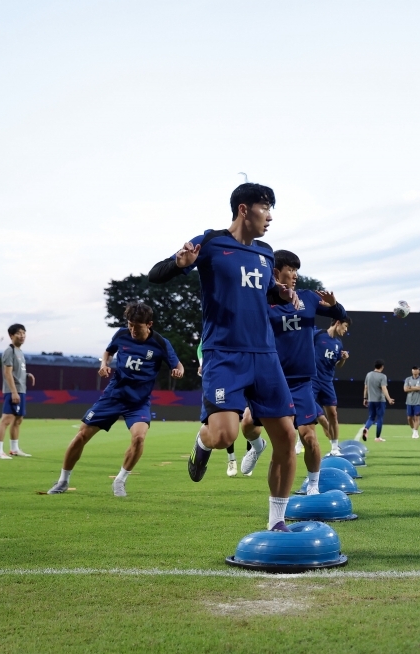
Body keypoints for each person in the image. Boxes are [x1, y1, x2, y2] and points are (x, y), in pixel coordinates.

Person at [148, 182, 299, 532]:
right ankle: (201, 444)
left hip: (264, 356)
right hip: (224, 356)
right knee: (224, 435)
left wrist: (279, 293)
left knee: (286, 439)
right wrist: (178, 262)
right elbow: (156, 276)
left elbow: (262, 295)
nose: (270, 216)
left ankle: (277, 521)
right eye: (265, 208)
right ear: (244, 209)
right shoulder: (212, 242)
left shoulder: (265, 253)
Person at [46, 302, 183, 496]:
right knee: (81, 436)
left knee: (139, 438)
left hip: (138, 402)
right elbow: (109, 351)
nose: (133, 329)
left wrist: (178, 371)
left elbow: (178, 365)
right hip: (113, 396)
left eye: (137, 325)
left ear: (149, 324)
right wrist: (104, 364)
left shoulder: (161, 343)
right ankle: (62, 481)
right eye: (130, 324)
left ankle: (120, 480)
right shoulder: (121, 334)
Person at [238, 251, 346, 498]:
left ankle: (313, 485)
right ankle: (256, 447)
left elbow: (340, 315)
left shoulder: (308, 297)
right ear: (276, 272)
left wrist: (335, 303)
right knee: (246, 425)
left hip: (300, 382)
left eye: (297, 270)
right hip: (270, 380)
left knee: (308, 437)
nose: (295, 275)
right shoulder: (262, 301)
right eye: (291, 270)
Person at [0, 323, 35, 459]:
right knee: (6, 419)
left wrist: (27, 375)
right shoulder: (9, 351)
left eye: (23, 333)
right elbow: (7, 373)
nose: (22, 336)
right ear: (11, 336)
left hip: (21, 389)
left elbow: (17, 371)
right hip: (14, 390)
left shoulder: (19, 351)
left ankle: (14, 449)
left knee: (18, 420)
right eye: (18, 333)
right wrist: (13, 392)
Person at [197, 341, 238, 476]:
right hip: (224, 371)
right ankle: (232, 459)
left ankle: (256, 447)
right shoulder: (217, 324)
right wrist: (203, 362)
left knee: (251, 424)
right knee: (224, 432)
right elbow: (202, 344)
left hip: (252, 362)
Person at [314, 317, 350, 455]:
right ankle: (301, 441)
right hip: (313, 379)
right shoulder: (317, 335)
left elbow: (337, 365)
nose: (346, 330)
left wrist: (343, 360)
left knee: (333, 414)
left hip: (327, 382)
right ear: (337, 323)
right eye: (345, 326)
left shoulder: (338, 344)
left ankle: (335, 448)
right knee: (315, 411)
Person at [361, 360, 395, 442]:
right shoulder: (382, 376)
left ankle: (366, 428)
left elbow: (366, 387)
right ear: (382, 366)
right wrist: (389, 399)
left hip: (371, 400)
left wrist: (365, 398)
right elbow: (384, 388)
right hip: (380, 400)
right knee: (379, 418)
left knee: (371, 417)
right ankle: (377, 437)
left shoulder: (368, 375)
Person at [403, 366, 420, 438]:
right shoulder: (408, 379)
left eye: (416, 369)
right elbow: (405, 389)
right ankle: (413, 429)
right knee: (409, 418)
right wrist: (414, 388)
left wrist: (410, 387)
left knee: (417, 417)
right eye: (414, 369)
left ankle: (415, 432)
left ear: (419, 371)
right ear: (412, 371)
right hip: (409, 401)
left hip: (418, 401)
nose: (415, 371)